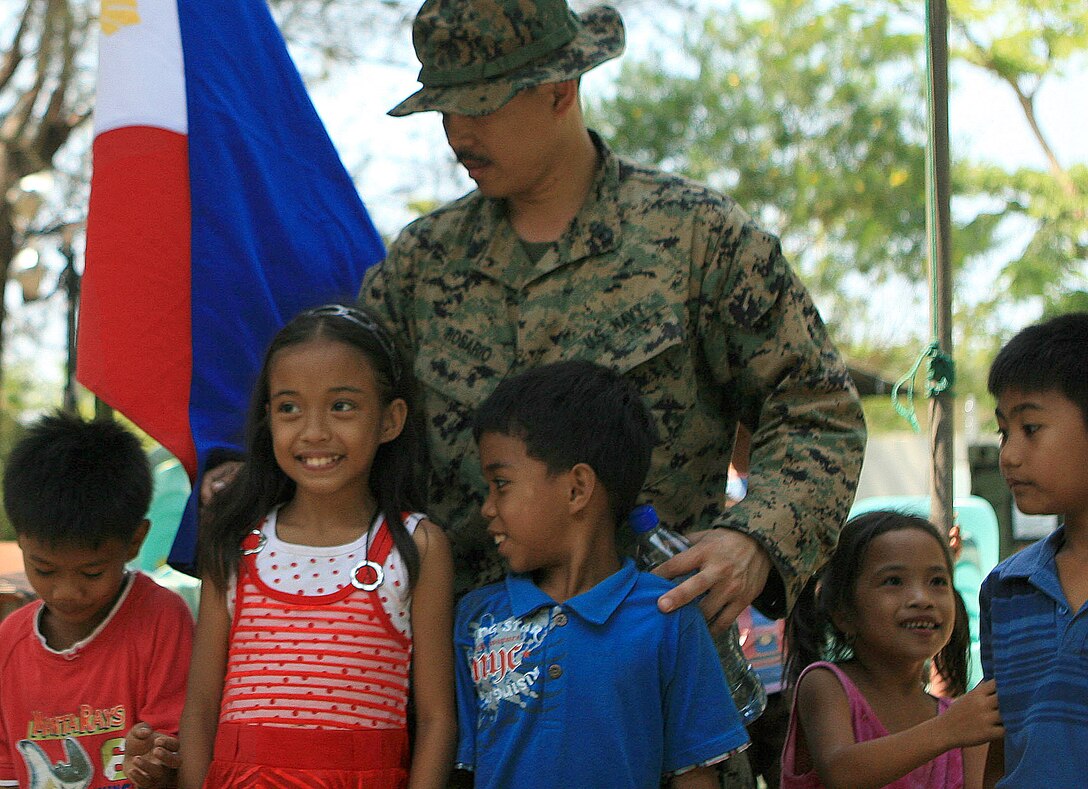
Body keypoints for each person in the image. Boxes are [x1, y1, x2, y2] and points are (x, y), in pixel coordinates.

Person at [364, 0, 865, 648]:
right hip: (462, 700)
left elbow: (816, 406)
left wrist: (756, 538)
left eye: (480, 105)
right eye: (443, 108)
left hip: (652, 692)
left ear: (560, 89)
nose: (457, 133)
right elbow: (354, 440)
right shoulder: (418, 266)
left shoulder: (694, 239)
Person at [177, 304, 455, 788]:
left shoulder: (417, 547)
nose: (314, 431)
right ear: (268, 418)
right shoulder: (237, 543)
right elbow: (200, 710)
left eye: (341, 405)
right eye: (289, 407)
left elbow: (435, 721)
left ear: (391, 420)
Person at [455, 360, 749, 788]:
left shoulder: (668, 616)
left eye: (500, 484)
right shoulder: (477, 619)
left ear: (576, 488)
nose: (486, 507)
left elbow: (695, 775)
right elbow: (463, 768)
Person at [0, 411, 193, 789]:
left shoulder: (162, 620)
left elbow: (177, 747)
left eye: (91, 573)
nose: (66, 592)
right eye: (44, 569)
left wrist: (156, 763)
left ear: (135, 541)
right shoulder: (10, 641)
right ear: (22, 538)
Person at [780, 511, 1003, 789]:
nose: (922, 599)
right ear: (843, 612)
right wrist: (949, 729)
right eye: (893, 581)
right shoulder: (826, 684)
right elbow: (841, 773)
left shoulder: (960, 724)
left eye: (937, 581)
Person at [980, 311, 1088, 788]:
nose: (1008, 455)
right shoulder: (1005, 589)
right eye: (1004, 431)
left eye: (1030, 428)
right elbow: (999, 750)